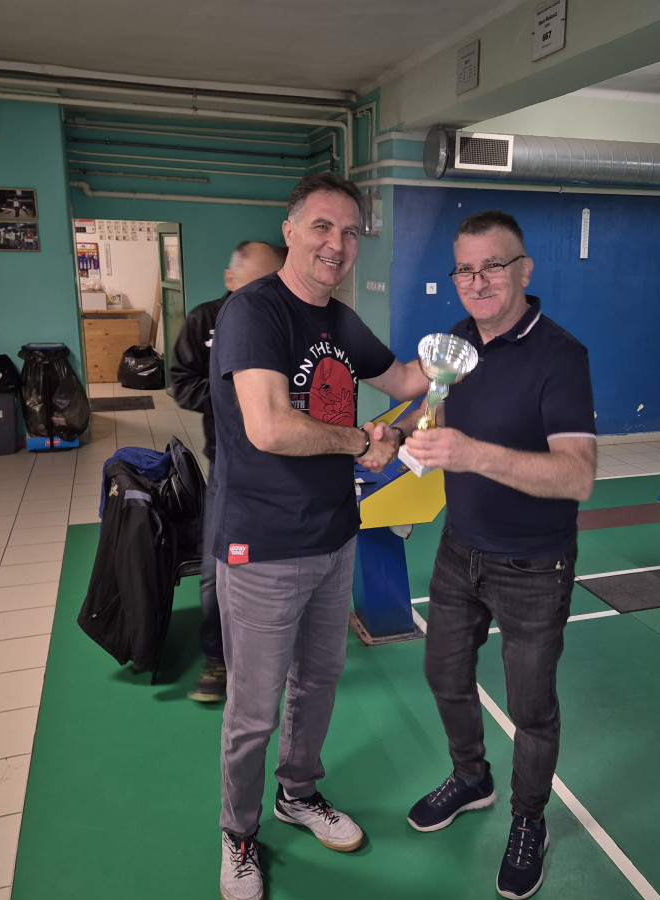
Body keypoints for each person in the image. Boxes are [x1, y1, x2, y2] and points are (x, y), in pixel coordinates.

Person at [208, 173, 426, 900]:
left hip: (334, 537)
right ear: (291, 231)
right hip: (264, 546)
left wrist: (468, 341)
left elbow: (404, 380)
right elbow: (270, 426)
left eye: (351, 232)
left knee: (320, 683)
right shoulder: (254, 311)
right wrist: (362, 440)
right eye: (323, 227)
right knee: (253, 711)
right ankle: (238, 834)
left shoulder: (340, 320)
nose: (338, 244)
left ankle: (297, 795)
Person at [395, 210, 597, 900]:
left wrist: (472, 454)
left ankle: (529, 820)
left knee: (531, 708)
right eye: (465, 269)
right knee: (444, 673)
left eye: (493, 266)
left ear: (524, 270)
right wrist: (398, 431)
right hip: (461, 549)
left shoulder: (561, 356)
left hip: (536, 564)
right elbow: (437, 406)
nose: (477, 281)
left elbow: (578, 476)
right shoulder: (457, 340)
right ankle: (471, 776)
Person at [170, 240, 285, 703]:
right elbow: (181, 384)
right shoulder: (204, 320)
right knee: (220, 563)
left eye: (273, 282)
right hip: (231, 464)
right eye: (257, 283)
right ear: (230, 280)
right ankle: (217, 659)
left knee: (283, 561)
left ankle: (278, 649)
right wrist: (239, 400)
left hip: (287, 463)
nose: (266, 292)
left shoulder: (287, 319)